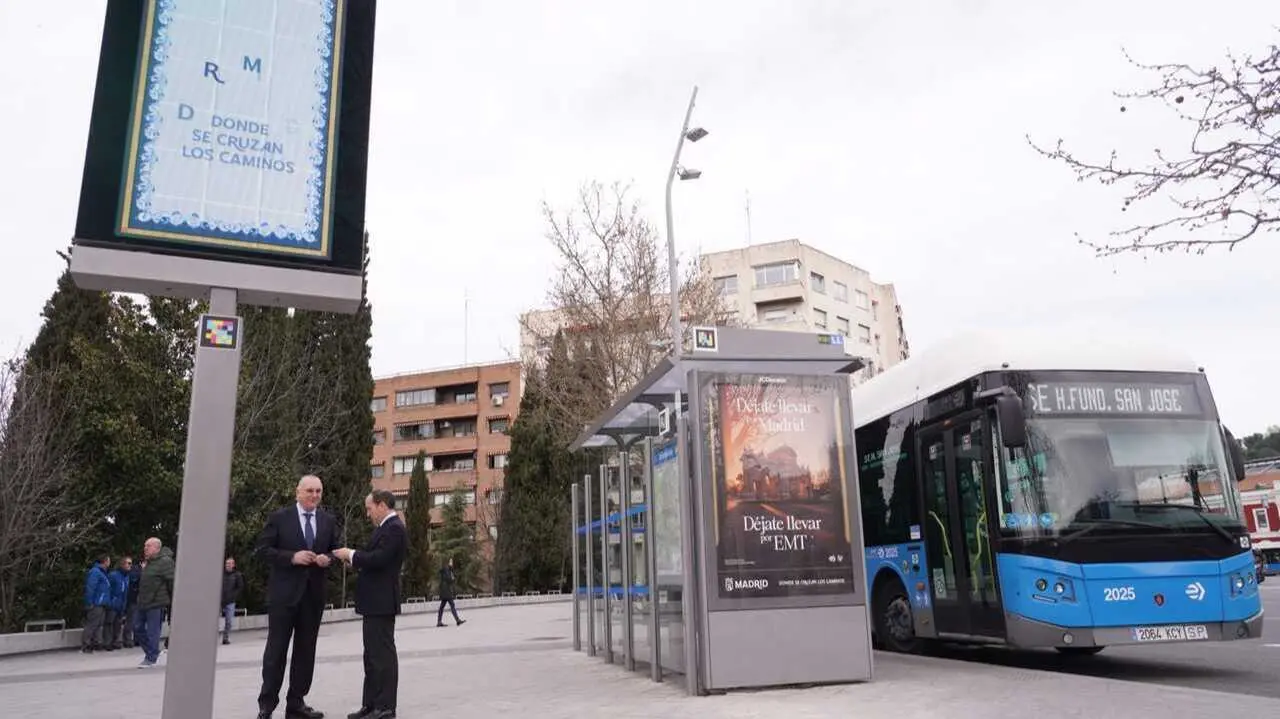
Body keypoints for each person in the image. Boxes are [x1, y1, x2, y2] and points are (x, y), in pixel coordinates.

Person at [254, 475, 338, 719]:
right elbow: (262, 550)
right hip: (283, 596)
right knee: (276, 651)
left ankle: (296, 703)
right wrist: (291, 557)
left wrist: (327, 559)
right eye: (310, 490)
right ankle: (266, 705)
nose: (314, 495)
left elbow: (335, 549)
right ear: (298, 492)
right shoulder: (280, 518)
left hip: (313, 597)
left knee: (305, 651)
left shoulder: (328, 520)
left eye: (319, 491)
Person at [334, 490, 407, 719]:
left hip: (382, 601)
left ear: (382, 505)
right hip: (374, 602)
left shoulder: (394, 528)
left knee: (382, 656)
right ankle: (371, 704)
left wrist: (352, 554)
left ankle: (385, 707)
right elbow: (373, 558)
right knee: (371, 655)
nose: (367, 514)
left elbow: (380, 559)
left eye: (369, 508)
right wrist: (352, 561)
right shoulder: (384, 528)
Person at [136, 538, 174, 668]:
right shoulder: (149, 563)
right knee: (137, 628)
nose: (145, 548)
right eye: (145, 546)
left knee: (153, 631)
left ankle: (151, 658)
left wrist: (173, 601)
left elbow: (172, 582)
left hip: (157, 602)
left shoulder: (165, 562)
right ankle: (153, 652)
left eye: (148, 546)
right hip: (143, 601)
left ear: (157, 548)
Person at [81, 554, 112, 653]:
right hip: (96, 603)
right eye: (108, 560)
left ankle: (96, 643)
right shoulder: (95, 572)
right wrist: (89, 602)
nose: (109, 563)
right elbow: (91, 588)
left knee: (99, 624)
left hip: (102, 603)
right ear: (105, 561)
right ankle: (86, 645)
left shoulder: (102, 573)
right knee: (92, 624)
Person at [221, 556, 245, 645]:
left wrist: (233, 596)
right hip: (220, 600)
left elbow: (240, 587)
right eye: (226, 563)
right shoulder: (221, 574)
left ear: (233, 565)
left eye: (229, 564)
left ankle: (225, 638)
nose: (227, 565)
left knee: (229, 621)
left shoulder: (237, 575)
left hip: (230, 601)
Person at [436, 557, 465, 627]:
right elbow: (449, 579)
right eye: (451, 561)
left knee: (442, 607)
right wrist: (453, 578)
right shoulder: (447, 569)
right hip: (446, 590)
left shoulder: (448, 569)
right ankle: (457, 620)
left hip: (444, 590)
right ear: (448, 562)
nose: (452, 563)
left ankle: (439, 622)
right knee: (452, 605)